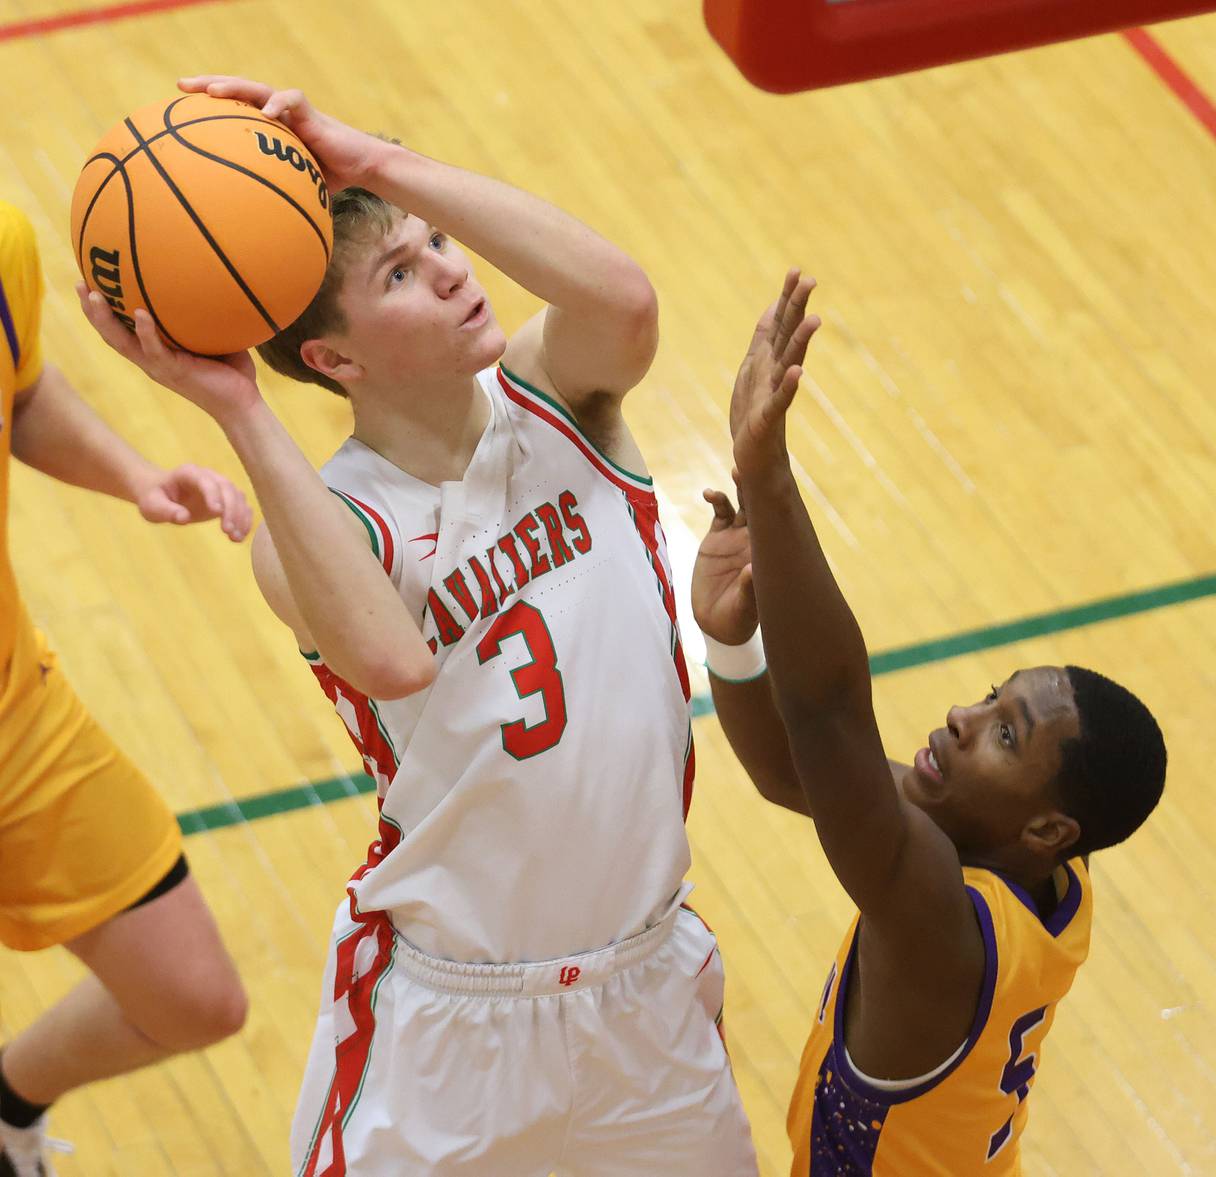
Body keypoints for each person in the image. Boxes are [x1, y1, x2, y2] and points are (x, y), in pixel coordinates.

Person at [81, 76, 756, 1176]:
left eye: (440, 242)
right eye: (402, 271)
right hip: (454, 1030)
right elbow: (391, 660)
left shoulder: (562, 398)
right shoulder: (332, 523)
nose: (451, 268)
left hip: (646, 992)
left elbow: (626, 303)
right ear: (334, 362)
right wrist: (236, 405)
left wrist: (381, 168)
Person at [692, 272, 1167, 1175]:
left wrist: (770, 476)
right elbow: (801, 774)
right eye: (993, 696)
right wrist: (734, 645)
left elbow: (829, 716)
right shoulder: (1040, 871)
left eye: (1005, 734)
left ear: (1048, 825)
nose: (962, 714)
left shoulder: (937, 927)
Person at [0, 200, 251, 1177]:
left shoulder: (4, 245)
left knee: (192, 996)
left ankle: (6, 1103)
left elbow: (19, 394)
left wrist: (134, 475)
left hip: (15, 719)